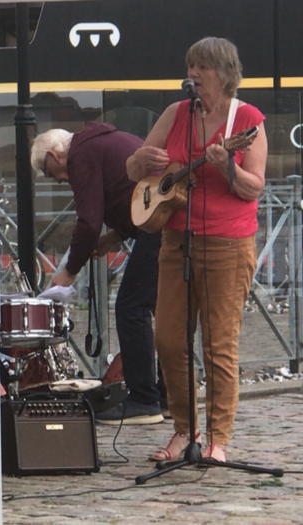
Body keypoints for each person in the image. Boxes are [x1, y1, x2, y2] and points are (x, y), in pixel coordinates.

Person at [126, 37, 267, 463]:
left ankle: (218, 440)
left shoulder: (248, 120)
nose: (193, 76)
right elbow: (133, 168)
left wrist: (226, 163)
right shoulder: (176, 113)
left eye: (200, 68)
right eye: (190, 67)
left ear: (224, 74)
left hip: (228, 244)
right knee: (168, 340)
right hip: (176, 242)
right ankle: (184, 430)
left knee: (218, 344)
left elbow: (254, 187)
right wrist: (143, 161)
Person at [32, 123, 165, 425]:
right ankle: (167, 396)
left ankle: (145, 400)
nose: (61, 180)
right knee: (162, 309)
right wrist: (113, 238)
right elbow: (128, 193)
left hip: (157, 227)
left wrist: (67, 272)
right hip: (163, 221)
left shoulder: (81, 155)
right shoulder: (106, 141)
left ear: (55, 153)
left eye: (53, 172)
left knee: (132, 308)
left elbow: (89, 221)